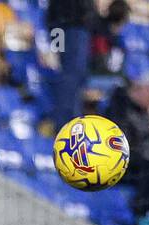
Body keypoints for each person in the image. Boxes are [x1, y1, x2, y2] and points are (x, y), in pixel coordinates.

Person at [100, 72, 149, 174]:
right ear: (144, 88)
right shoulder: (119, 105)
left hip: (140, 164)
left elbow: (148, 143)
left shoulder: (144, 112)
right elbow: (120, 145)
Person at [43, 0, 98, 130]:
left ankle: (62, 121)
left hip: (60, 24)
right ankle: (66, 125)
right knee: (71, 75)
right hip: (72, 24)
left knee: (67, 74)